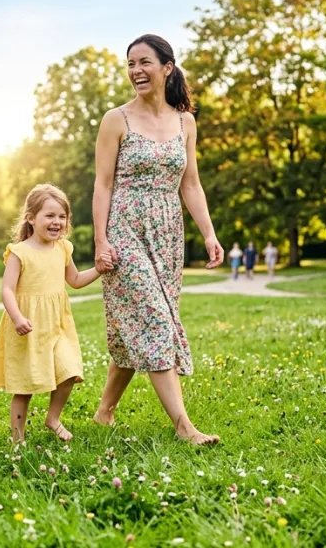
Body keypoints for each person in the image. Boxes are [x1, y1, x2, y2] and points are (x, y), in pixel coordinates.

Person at [90, 34, 222, 446]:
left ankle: (104, 411)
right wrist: (100, 241)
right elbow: (103, 184)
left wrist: (209, 233)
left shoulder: (186, 122)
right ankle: (184, 426)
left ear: (167, 67)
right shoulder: (117, 119)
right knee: (155, 321)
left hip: (167, 234)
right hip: (124, 230)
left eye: (144, 62)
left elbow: (192, 184)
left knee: (137, 328)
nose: (135, 71)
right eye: (130, 64)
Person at [0, 184, 107, 443]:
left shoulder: (63, 248)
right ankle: (17, 439)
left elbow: (76, 280)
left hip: (57, 325)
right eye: (50, 215)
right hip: (28, 326)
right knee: (25, 386)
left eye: (61, 216)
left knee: (68, 371)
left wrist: (99, 269)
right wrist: (18, 318)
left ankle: (52, 418)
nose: (57, 222)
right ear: (31, 218)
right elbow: (7, 290)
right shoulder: (19, 252)